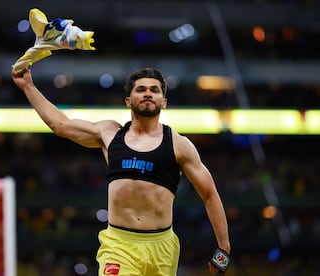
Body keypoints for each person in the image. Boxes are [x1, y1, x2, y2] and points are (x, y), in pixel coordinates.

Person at [12, 66, 231, 275]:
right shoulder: (109, 133)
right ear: (128, 100)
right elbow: (60, 125)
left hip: (162, 248)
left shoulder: (178, 144)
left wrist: (224, 247)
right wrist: (28, 86)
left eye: (154, 90)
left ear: (163, 102)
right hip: (119, 245)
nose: (148, 94)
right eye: (141, 89)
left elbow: (209, 194)